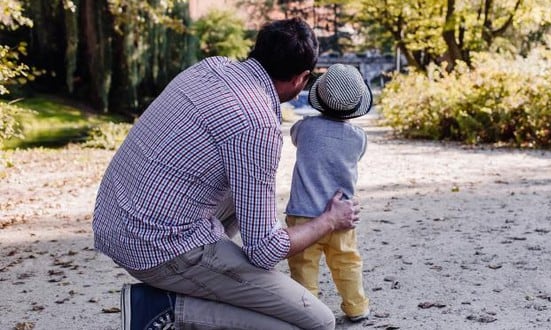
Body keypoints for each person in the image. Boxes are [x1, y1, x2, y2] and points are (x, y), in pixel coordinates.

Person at [92, 18, 360, 330]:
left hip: (116, 222)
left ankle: (204, 282)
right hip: (157, 246)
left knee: (244, 186)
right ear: (301, 78)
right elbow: (265, 250)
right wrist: (329, 220)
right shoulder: (257, 124)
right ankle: (161, 309)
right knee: (316, 322)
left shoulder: (211, 66)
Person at [285, 63, 372, 322]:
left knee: (303, 267)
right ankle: (356, 306)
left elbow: (293, 137)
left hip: (303, 216)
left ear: (319, 98)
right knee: (347, 262)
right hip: (342, 216)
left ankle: (308, 311)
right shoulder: (358, 138)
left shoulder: (304, 128)